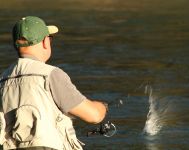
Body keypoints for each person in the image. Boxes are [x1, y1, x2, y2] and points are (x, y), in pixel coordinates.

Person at [0, 16, 108, 150]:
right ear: (45, 42)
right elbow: (93, 116)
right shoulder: (50, 74)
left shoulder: (3, 79)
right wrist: (103, 107)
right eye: (50, 38)